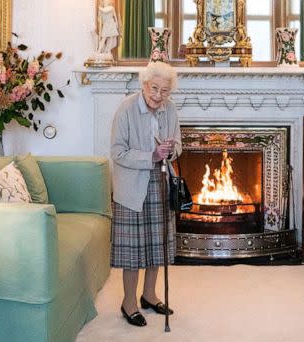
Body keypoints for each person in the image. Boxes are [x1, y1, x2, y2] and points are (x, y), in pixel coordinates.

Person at [110, 62, 181, 327]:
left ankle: (149, 295)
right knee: (133, 251)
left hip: (161, 181)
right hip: (131, 186)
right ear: (144, 84)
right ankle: (128, 302)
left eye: (164, 91)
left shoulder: (170, 109)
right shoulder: (126, 108)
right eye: (154, 88)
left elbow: (179, 144)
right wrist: (151, 155)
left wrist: (171, 150)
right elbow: (117, 152)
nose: (158, 95)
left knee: (156, 245)